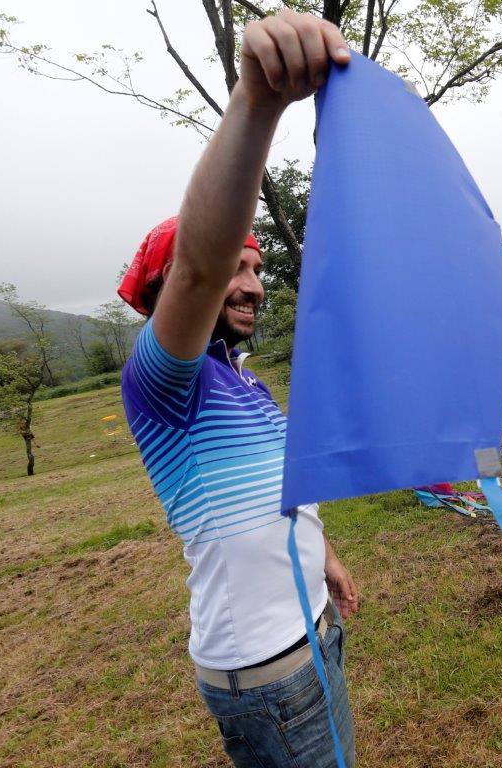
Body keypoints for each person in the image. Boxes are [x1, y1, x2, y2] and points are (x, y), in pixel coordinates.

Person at [117, 11, 359, 767]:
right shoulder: (162, 383)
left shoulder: (240, 381)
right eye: (238, 268)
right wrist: (257, 103)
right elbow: (197, 264)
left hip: (312, 634)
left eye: (257, 269)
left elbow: (269, 497)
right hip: (270, 680)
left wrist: (324, 557)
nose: (251, 284)